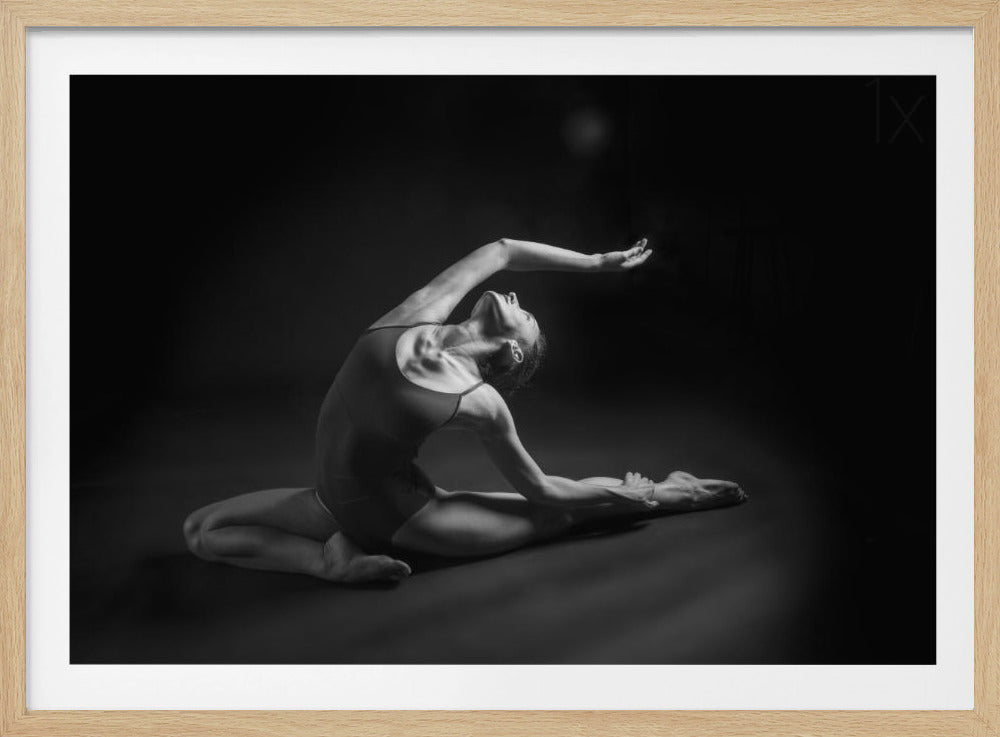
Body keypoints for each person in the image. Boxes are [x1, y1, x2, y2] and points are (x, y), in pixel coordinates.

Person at [183, 238, 747, 583]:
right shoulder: (422, 311)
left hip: (408, 518)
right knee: (201, 532)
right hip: (329, 503)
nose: (517, 299)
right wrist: (597, 263)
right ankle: (327, 563)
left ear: (514, 350)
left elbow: (544, 490)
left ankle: (674, 493)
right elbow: (504, 251)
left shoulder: (481, 402)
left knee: (559, 517)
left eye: (526, 316)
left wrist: (641, 494)